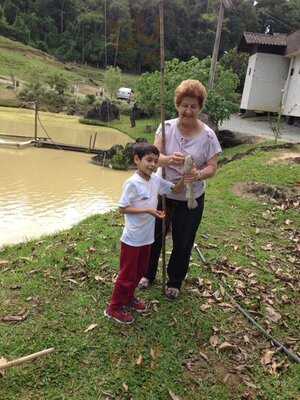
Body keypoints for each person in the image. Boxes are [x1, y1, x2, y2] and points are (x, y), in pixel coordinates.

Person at [138, 79, 222, 299]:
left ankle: (175, 281)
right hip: (163, 193)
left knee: (183, 240)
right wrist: (166, 160)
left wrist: (198, 174)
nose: (188, 110)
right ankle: (147, 274)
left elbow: (213, 167)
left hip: (191, 197)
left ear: (200, 108)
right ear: (177, 105)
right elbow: (153, 158)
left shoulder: (209, 136)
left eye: (193, 106)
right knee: (154, 235)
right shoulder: (166, 128)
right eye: (184, 105)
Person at [104, 143, 184, 324]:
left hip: (147, 237)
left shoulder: (155, 180)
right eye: (148, 160)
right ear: (137, 160)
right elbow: (122, 209)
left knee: (139, 271)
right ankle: (114, 308)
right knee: (127, 274)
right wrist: (148, 210)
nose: (152, 165)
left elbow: (174, 189)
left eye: (156, 161)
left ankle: (129, 298)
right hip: (132, 238)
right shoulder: (132, 183)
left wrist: (185, 179)